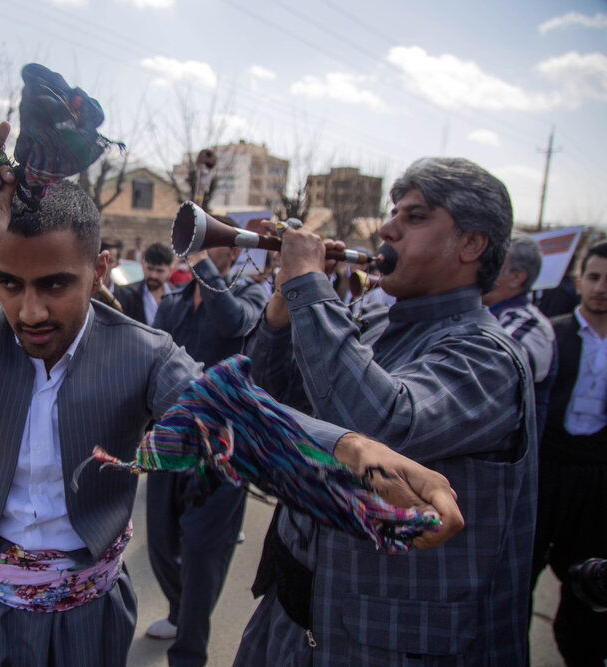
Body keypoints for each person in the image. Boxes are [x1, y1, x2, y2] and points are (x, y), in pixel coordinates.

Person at [0, 120, 463, 666]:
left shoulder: (141, 351)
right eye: (10, 283)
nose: (30, 311)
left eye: (55, 284)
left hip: (85, 626)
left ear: (100, 268)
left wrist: (349, 451)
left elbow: (227, 414)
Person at [237, 157, 536, 665]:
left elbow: (380, 425)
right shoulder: (377, 324)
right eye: (393, 212)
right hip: (289, 621)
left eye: (415, 217)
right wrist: (287, 300)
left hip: (380, 646)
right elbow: (266, 395)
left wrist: (309, 281)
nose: (388, 229)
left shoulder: (489, 357)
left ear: (471, 244)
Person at [145, 241, 267, 665]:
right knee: (160, 540)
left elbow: (232, 322)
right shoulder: (174, 301)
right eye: (199, 243)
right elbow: (153, 359)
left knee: (201, 551)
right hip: (170, 440)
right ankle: (181, 612)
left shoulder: (251, 296)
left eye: (212, 243)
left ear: (233, 254)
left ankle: (189, 652)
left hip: (225, 448)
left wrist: (200, 262)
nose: (202, 249)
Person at [531, 240, 607, 665]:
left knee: (586, 582)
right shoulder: (551, 334)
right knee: (522, 572)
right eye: (593, 277)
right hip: (546, 470)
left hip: (596, 476)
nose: (601, 288)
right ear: (579, 281)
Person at [482, 235, 557, 434]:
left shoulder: (531, 325)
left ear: (516, 277)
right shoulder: (485, 313)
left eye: (493, 263)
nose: (480, 269)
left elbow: (492, 373)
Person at [115, 242, 174, 325]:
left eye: (159, 271)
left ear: (170, 271)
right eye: (150, 269)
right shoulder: (127, 295)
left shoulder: (178, 297)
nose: (153, 275)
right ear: (143, 265)